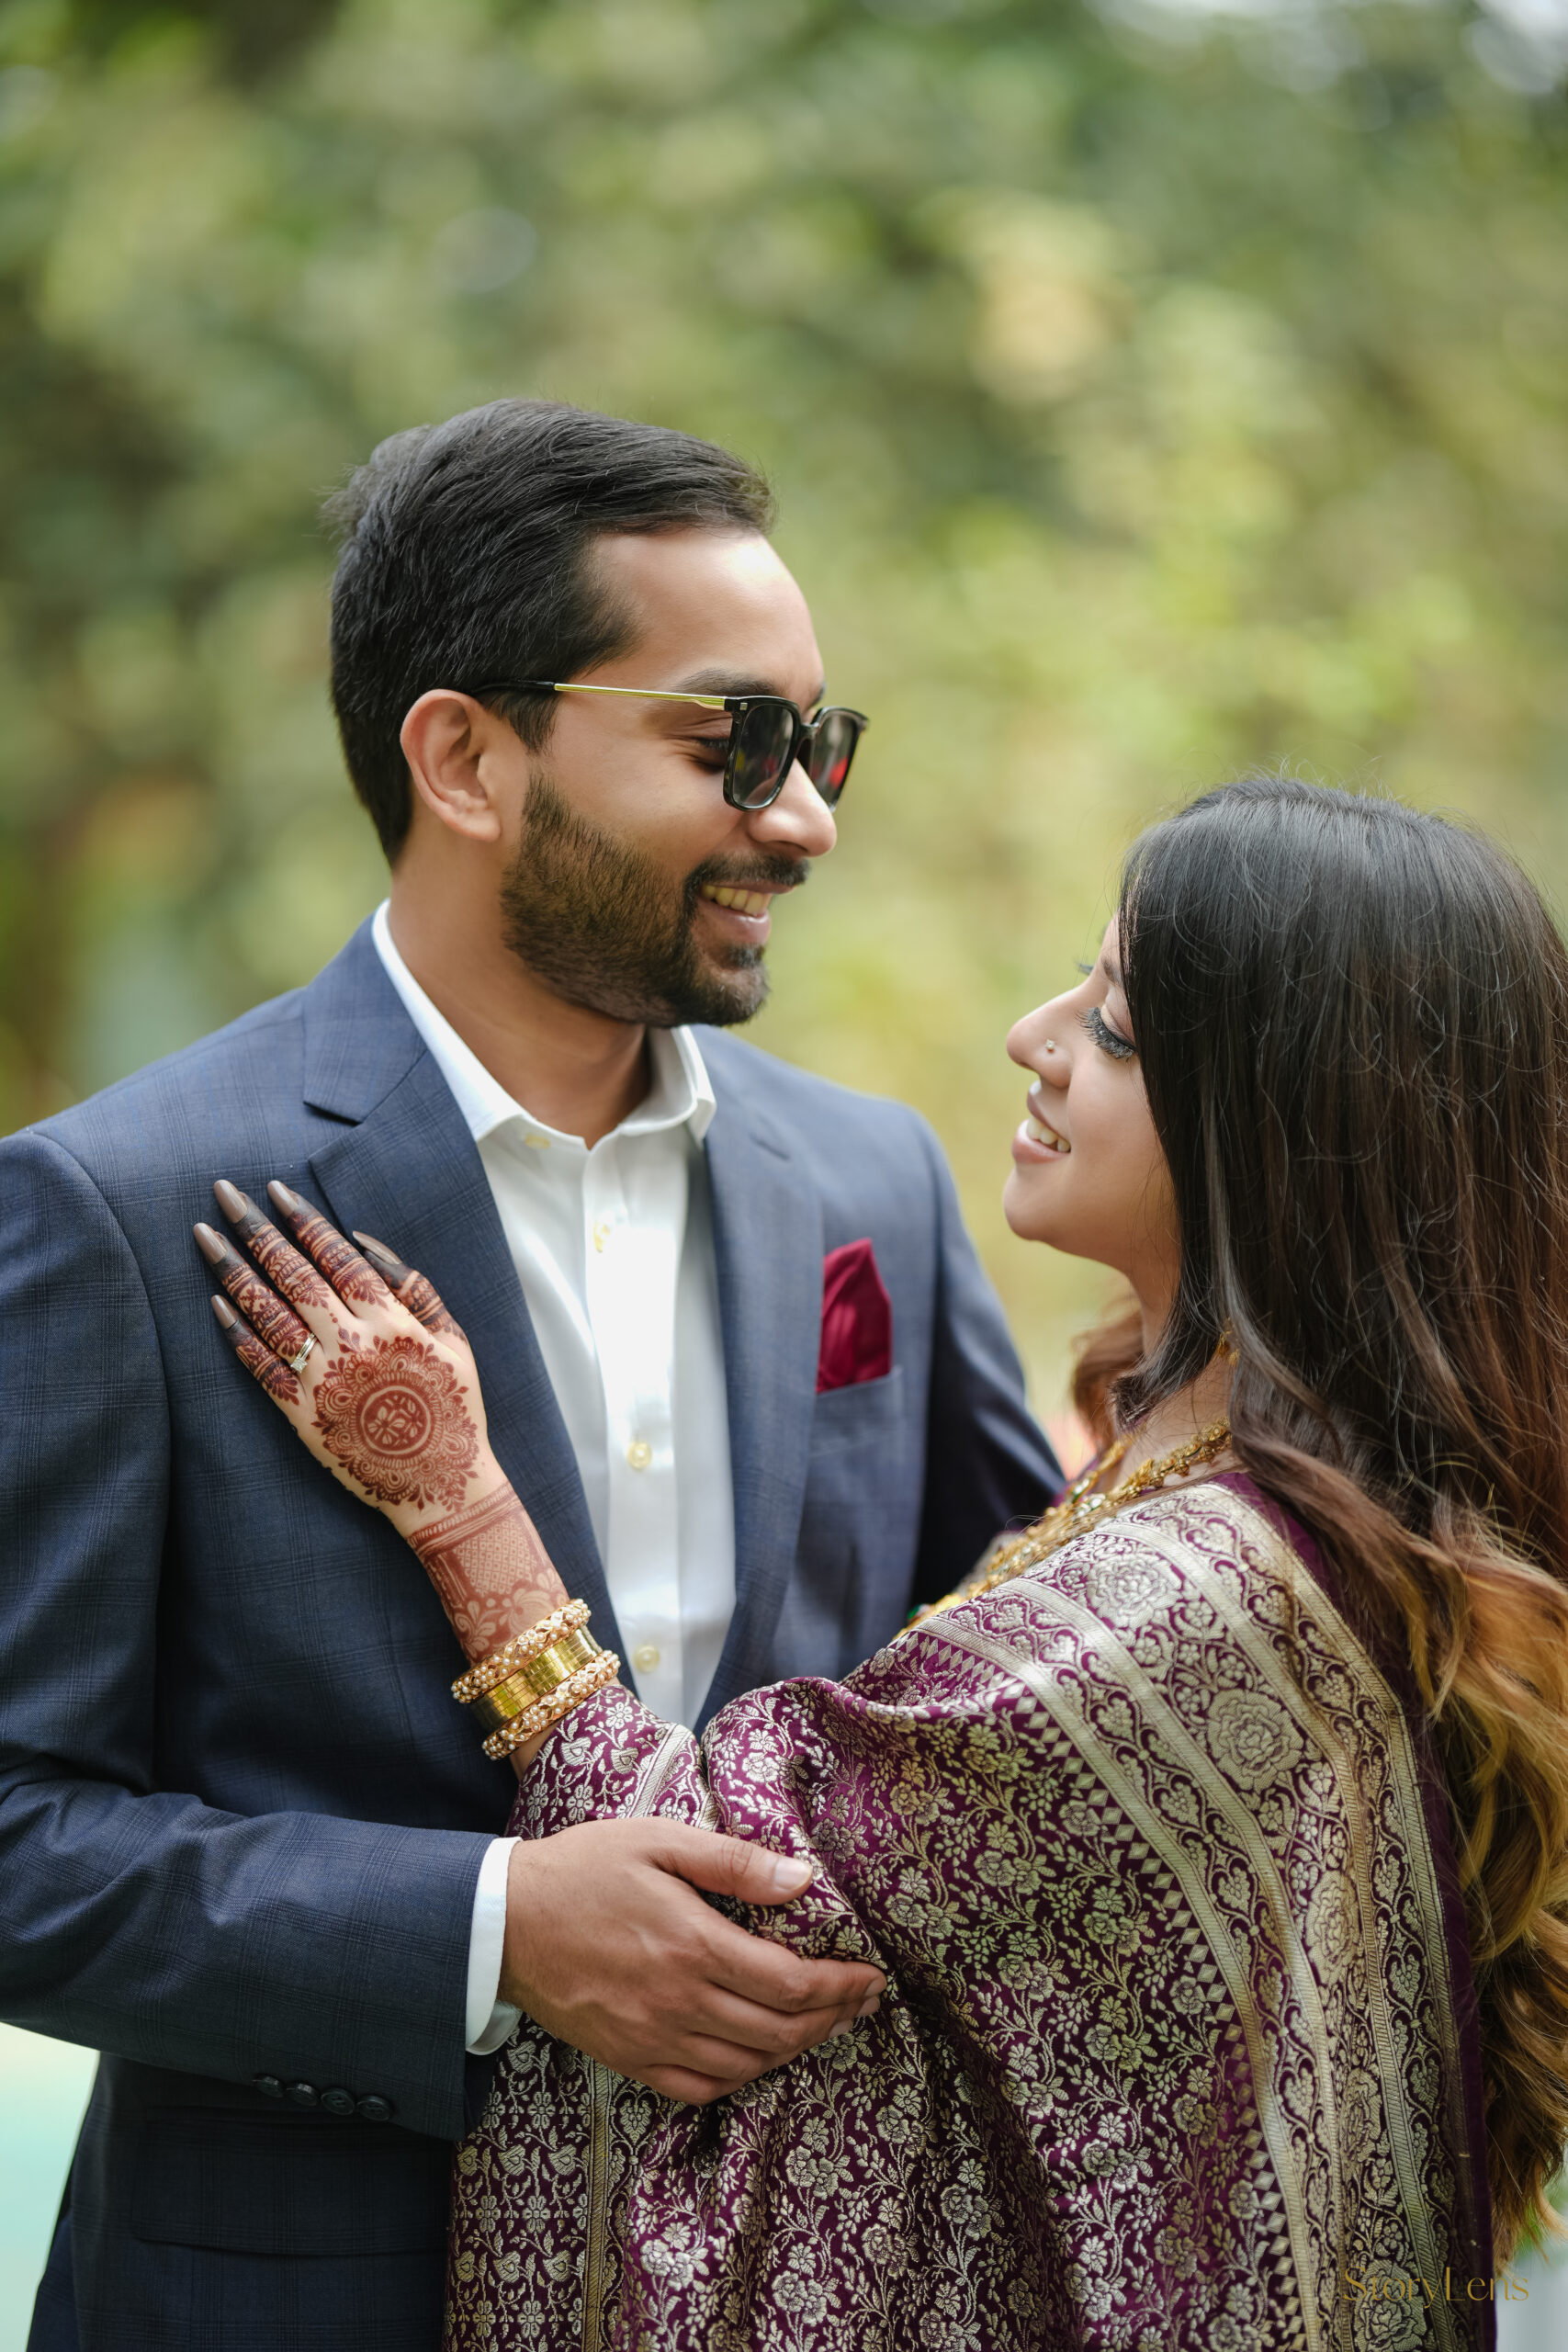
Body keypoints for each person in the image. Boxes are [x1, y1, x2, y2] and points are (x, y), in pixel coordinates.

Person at [207, 777, 1568, 2350]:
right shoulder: (1210, 1468)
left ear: (1283, 1126)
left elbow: (724, 1893)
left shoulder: (1219, 1586)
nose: (1036, 1037)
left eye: (1116, 1028)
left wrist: (459, 1504)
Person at [1, 400, 1058, 2352]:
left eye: (820, 743)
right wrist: (488, 1933)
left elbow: (1019, 1688)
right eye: (732, 740)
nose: (805, 819)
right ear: (464, 758)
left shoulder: (874, 1186)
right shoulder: (121, 1207)